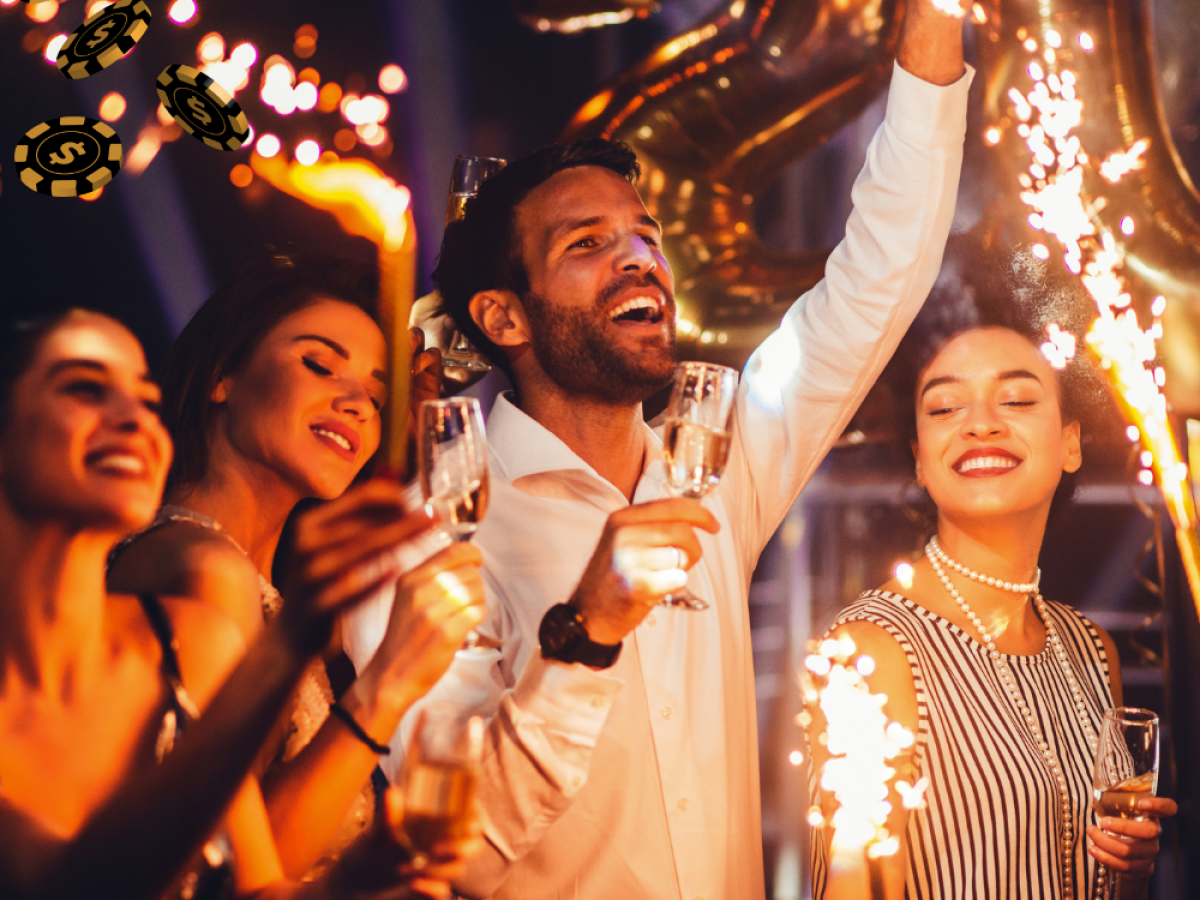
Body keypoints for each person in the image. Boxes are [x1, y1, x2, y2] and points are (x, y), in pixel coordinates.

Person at [341, 1, 974, 896]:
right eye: (588, 244)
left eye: (647, 238)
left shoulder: (716, 465)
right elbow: (462, 852)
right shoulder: (427, 536)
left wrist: (937, 19)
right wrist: (586, 630)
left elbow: (879, 277)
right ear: (503, 315)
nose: (640, 260)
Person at [0, 309, 479, 900]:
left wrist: (354, 884)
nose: (133, 421)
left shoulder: (188, 640)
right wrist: (322, 659)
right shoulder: (203, 571)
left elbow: (250, 886)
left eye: (145, 400)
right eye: (85, 389)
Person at [805, 259, 1178, 900]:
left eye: (1017, 399)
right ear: (921, 459)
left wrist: (1129, 870)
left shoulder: (1091, 651)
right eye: (945, 406)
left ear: (1070, 443)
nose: (981, 423)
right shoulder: (872, 648)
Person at [107, 252, 483, 876]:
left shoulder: (267, 588)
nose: (359, 404)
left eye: (375, 393)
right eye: (319, 364)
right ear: (222, 375)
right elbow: (233, 871)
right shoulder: (201, 571)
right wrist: (385, 686)